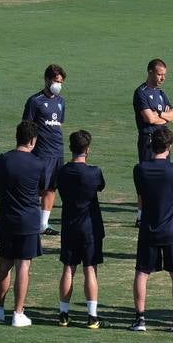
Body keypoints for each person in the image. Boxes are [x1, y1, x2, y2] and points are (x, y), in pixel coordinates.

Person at [132, 127, 173, 333]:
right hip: (172, 230)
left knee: (142, 273)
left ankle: (140, 319)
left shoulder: (140, 169)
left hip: (148, 229)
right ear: (169, 147)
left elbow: (141, 194)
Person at [0, 121, 48, 327]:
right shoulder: (38, 163)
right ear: (32, 141)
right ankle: (18, 312)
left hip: (7, 220)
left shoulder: (4, 159)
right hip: (28, 221)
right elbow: (42, 190)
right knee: (23, 266)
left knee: (4, 266)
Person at [58, 129, 106, 329]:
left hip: (69, 225)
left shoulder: (62, 171)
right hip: (90, 227)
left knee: (68, 269)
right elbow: (100, 186)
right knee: (90, 270)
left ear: (71, 148)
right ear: (87, 150)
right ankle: (92, 316)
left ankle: (63, 313)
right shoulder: (94, 172)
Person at [23, 64, 67, 234]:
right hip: (41, 151)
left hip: (57, 151)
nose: (59, 85)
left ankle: (43, 224)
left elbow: (59, 124)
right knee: (38, 188)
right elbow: (27, 126)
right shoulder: (35, 101)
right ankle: (32, 221)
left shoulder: (61, 101)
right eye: (56, 81)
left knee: (52, 187)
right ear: (47, 80)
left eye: (61, 82)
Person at [134, 58, 173, 162]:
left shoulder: (160, 93)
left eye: (164, 75)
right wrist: (166, 118)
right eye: (159, 74)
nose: (163, 78)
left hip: (164, 140)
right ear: (150, 72)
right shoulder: (141, 93)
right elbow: (150, 119)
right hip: (149, 141)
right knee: (148, 172)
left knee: (165, 172)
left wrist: (160, 114)